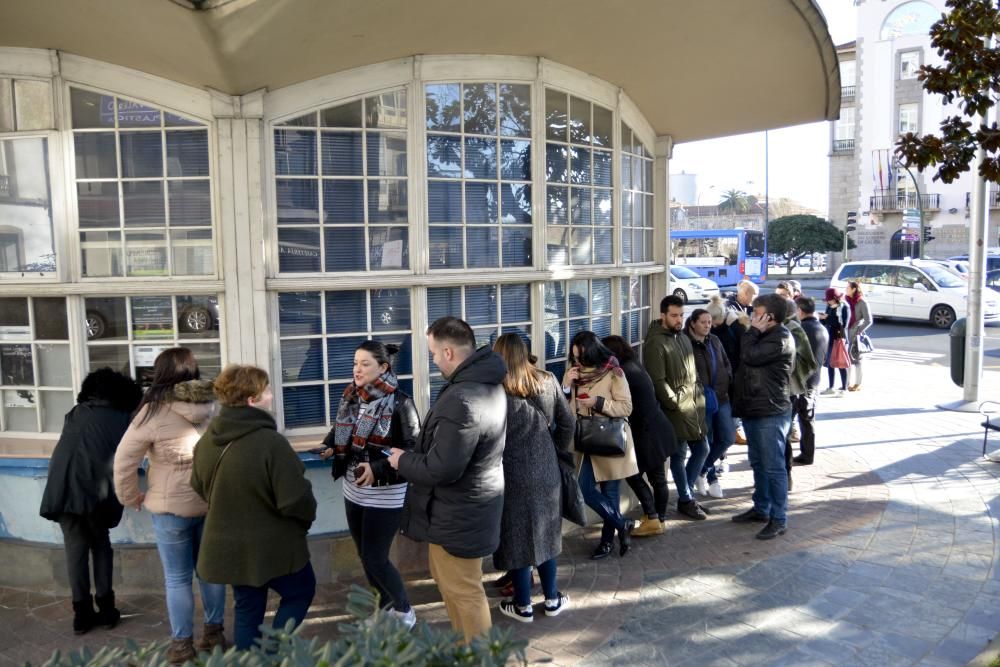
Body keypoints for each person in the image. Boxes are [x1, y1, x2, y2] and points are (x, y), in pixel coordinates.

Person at [387, 317, 506, 644]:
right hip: (465, 511)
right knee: (457, 589)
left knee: (464, 593)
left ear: (450, 352)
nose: (434, 360)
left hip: (460, 515)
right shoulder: (485, 384)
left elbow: (443, 468)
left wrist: (401, 460)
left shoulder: (464, 398)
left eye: (434, 354)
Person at [191, 365, 317, 651]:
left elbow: (198, 486)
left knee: (248, 607)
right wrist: (304, 521)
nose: (271, 396)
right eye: (267, 391)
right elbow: (296, 500)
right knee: (300, 592)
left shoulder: (208, 440)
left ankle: (249, 660)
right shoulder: (270, 443)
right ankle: (272, 652)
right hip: (275, 547)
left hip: (229, 547)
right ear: (252, 400)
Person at [113, 348, 227, 663]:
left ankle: (181, 646)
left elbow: (124, 461)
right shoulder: (213, 407)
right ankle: (214, 634)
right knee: (211, 573)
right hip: (209, 504)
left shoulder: (151, 413)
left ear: (159, 375)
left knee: (177, 579)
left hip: (169, 510)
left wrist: (130, 496)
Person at [319, 341, 419, 628]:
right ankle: (385, 609)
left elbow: (413, 452)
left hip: (385, 493)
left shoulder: (401, 402)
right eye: (355, 363)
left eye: (365, 364)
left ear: (383, 368)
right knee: (365, 556)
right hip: (353, 488)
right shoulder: (353, 396)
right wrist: (329, 446)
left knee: (376, 558)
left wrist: (377, 468)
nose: (357, 369)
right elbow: (340, 429)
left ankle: (404, 611)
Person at [40, 368, 142, 636]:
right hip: (92, 493)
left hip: (61, 490)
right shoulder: (121, 418)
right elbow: (126, 456)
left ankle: (81, 615)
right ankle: (107, 610)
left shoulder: (75, 413)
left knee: (75, 551)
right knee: (100, 545)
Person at [492, 334, 574, 623]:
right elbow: (568, 422)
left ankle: (523, 604)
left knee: (516, 537)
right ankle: (552, 598)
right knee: (546, 533)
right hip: (546, 469)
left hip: (509, 472)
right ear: (525, 352)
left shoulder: (494, 389)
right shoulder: (548, 380)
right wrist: (556, 449)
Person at [564, 331, 639, 558]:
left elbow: (626, 408)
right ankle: (621, 523)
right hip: (586, 439)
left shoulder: (613, 372)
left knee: (611, 491)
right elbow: (565, 412)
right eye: (575, 357)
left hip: (609, 437)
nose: (578, 362)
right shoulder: (575, 374)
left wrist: (597, 402)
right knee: (584, 488)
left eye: (582, 358)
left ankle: (607, 542)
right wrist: (566, 386)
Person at [730, 294, 796, 540]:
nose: (752, 317)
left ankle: (779, 518)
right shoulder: (764, 335)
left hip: (770, 411)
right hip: (754, 408)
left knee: (773, 467)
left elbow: (749, 356)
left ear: (771, 317)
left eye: (757, 313)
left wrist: (750, 332)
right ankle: (761, 508)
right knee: (758, 463)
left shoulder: (779, 339)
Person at [602, 335, 677, 536]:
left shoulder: (622, 372)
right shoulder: (634, 364)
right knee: (658, 478)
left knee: (633, 475)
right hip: (657, 428)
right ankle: (658, 519)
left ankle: (653, 518)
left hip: (645, 433)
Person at [643, 295, 709, 520]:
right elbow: (657, 381)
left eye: (681, 315)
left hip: (693, 405)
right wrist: (675, 401)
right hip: (676, 409)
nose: (679, 319)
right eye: (674, 315)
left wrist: (696, 393)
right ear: (663, 315)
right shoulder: (655, 342)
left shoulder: (681, 337)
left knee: (702, 449)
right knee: (680, 455)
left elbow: (692, 370)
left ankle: (686, 496)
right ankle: (686, 498)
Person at [685, 310, 733, 500]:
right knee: (708, 441)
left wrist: (727, 380)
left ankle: (701, 471)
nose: (707, 325)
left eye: (709, 321)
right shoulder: (686, 342)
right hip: (701, 400)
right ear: (693, 323)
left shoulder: (714, 340)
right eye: (703, 322)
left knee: (727, 438)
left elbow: (726, 363)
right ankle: (711, 479)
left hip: (721, 397)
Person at [780, 297, 818, 488]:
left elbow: (808, 362)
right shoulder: (794, 328)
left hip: (787, 392)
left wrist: (793, 379)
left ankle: (785, 475)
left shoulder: (791, 330)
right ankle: (784, 475)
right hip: (789, 391)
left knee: (783, 434)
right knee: (784, 433)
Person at [793, 296, 829, 466]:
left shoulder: (802, 329)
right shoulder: (822, 328)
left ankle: (805, 455)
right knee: (808, 419)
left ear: (800, 310)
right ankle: (807, 453)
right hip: (814, 380)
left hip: (801, 382)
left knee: (796, 419)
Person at [819, 287, 850, 395]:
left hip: (840, 337)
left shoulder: (844, 307)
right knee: (830, 363)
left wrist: (827, 318)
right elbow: (826, 322)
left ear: (836, 298)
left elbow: (843, 324)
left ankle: (844, 387)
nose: (828, 301)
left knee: (841, 362)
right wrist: (822, 319)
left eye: (829, 299)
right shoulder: (829, 306)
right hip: (830, 337)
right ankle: (831, 387)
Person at [845, 281, 873, 391]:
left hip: (856, 334)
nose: (846, 289)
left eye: (848, 287)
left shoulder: (862, 301)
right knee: (847, 359)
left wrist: (859, 330)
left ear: (854, 289)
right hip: (846, 332)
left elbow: (868, 320)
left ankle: (857, 384)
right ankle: (846, 383)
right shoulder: (845, 300)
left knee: (857, 359)